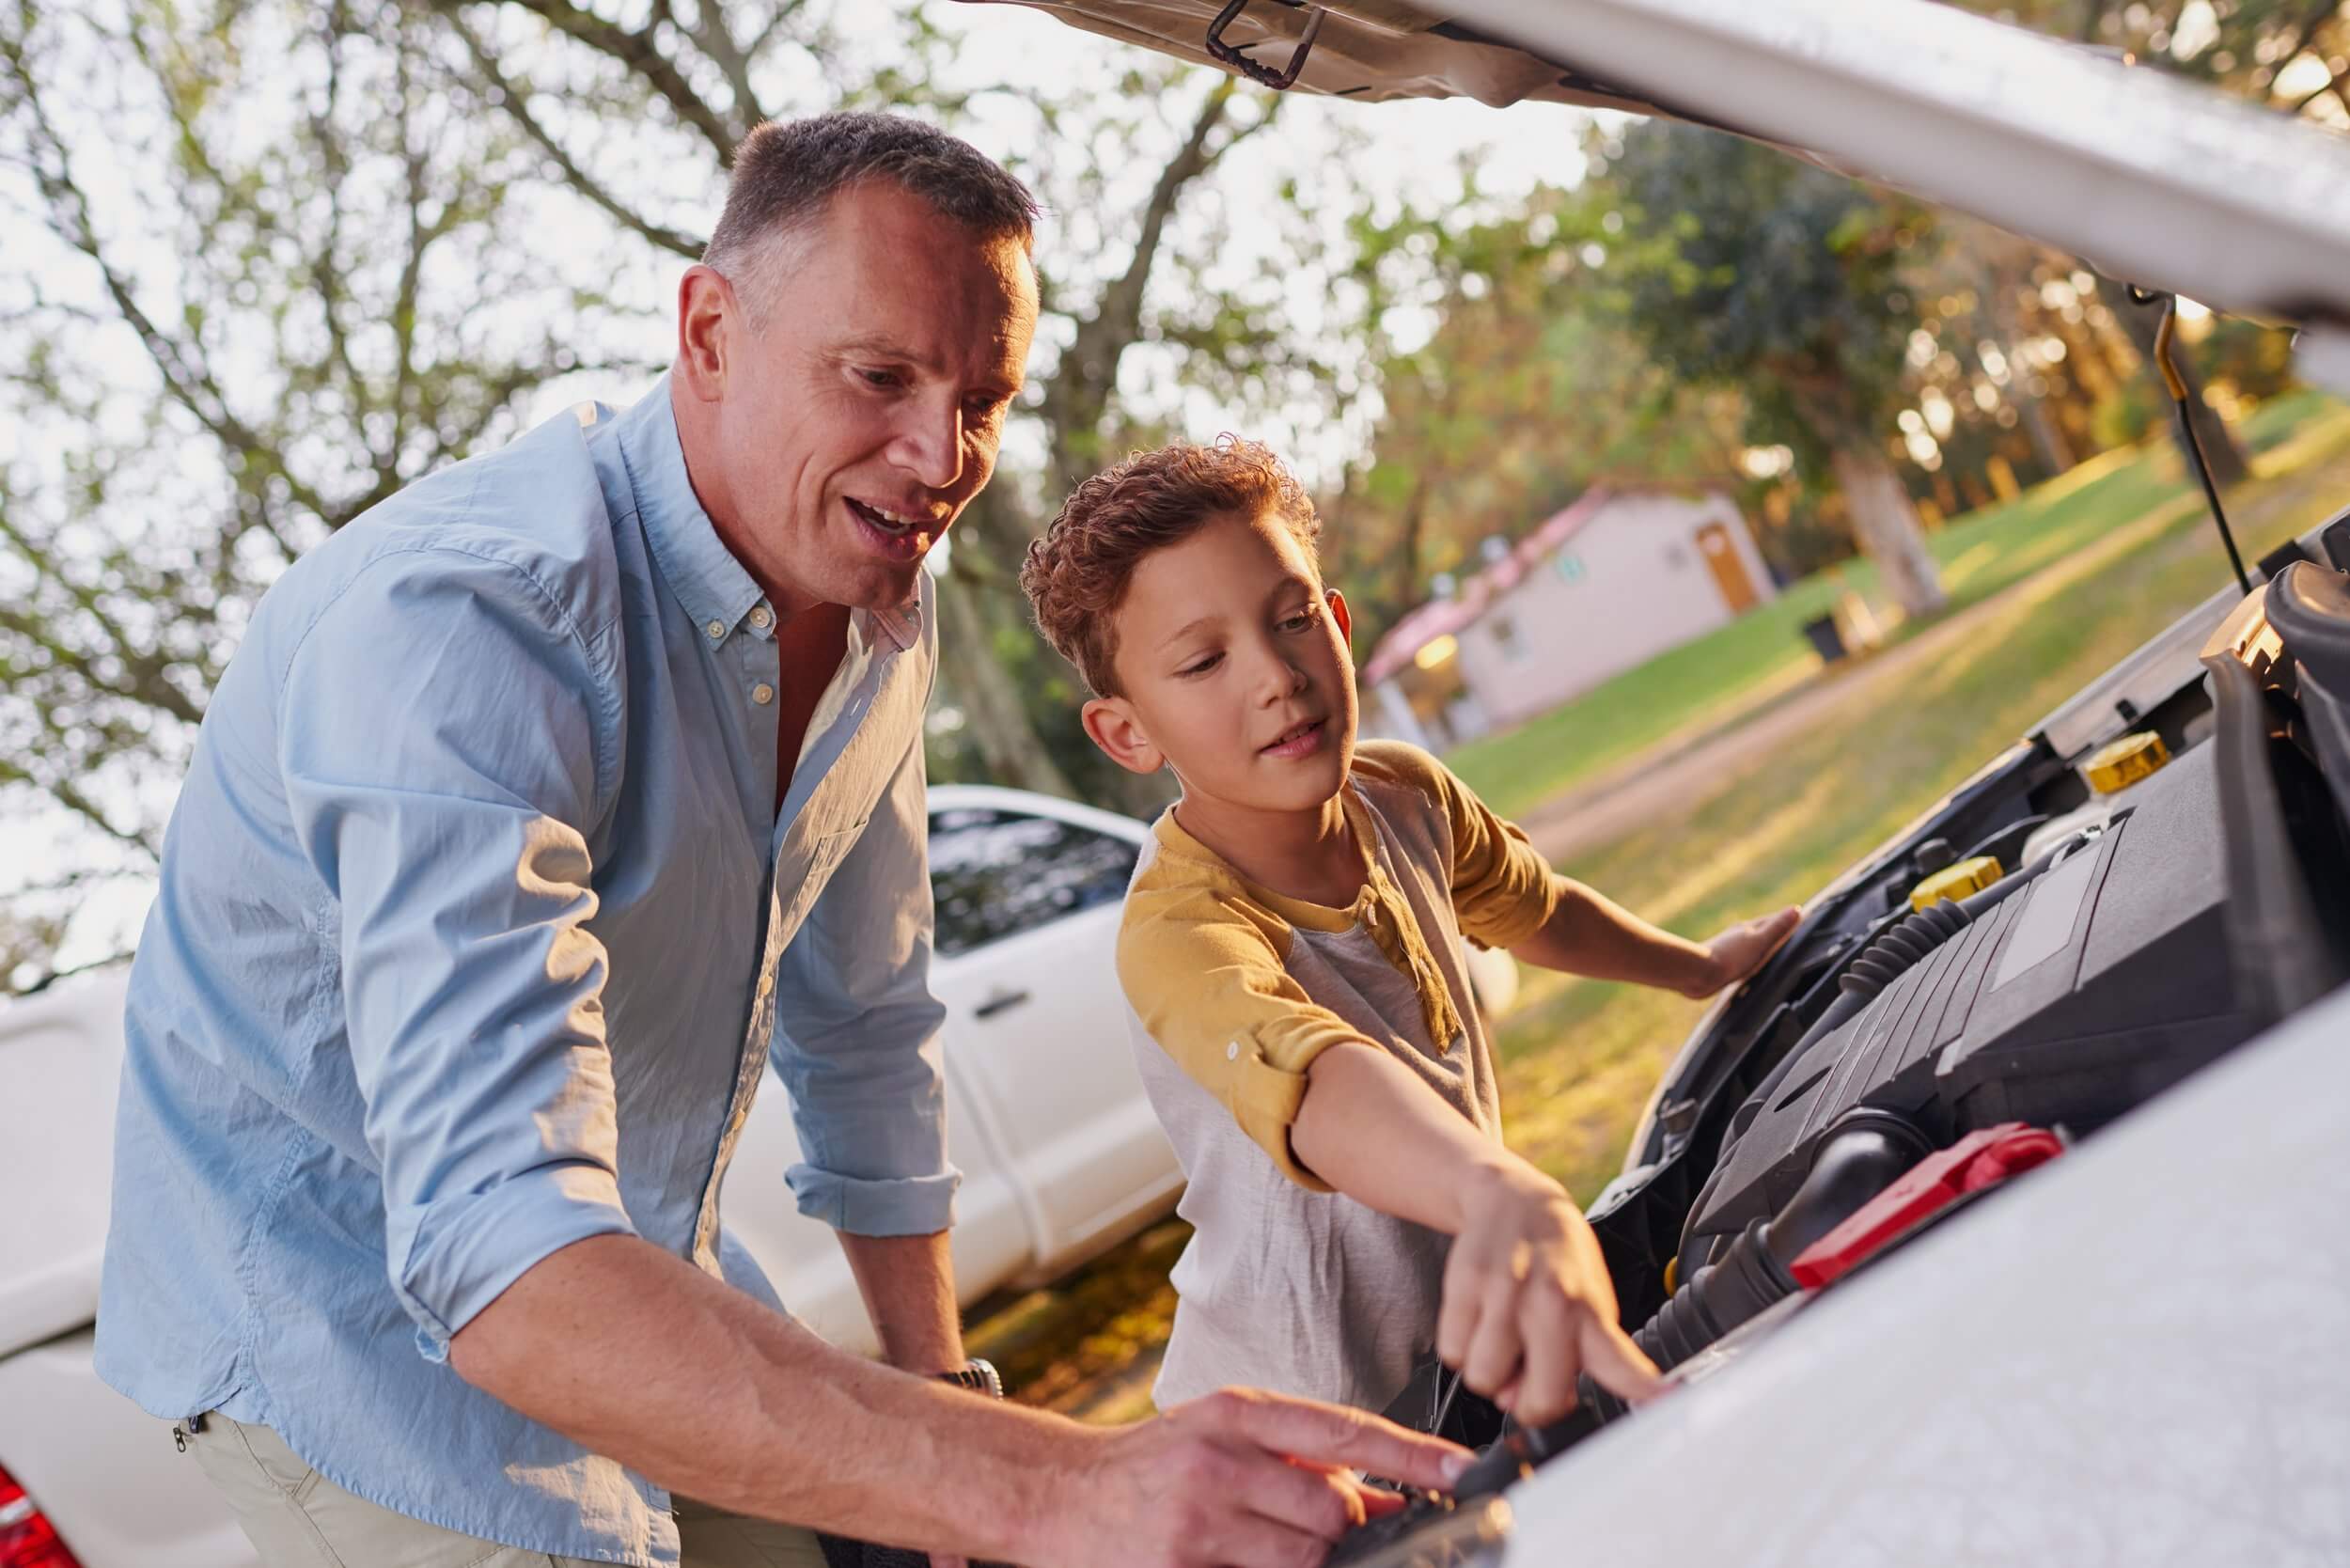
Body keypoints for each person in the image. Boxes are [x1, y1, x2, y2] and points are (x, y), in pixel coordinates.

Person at [95, 114, 1467, 1568]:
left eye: (983, 399)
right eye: (879, 376)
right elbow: (499, 1256)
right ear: (709, 334)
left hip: (627, 1254)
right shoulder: (465, 630)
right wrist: (1049, 1487)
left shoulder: (874, 587)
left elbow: (867, 1027)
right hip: (357, 1332)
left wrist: (939, 1392)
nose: (941, 457)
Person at [1018, 438, 1801, 1432]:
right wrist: (1493, 1191)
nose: (1275, 677)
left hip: (1458, 1355)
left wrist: (1695, 968)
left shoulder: (1404, 796)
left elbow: (1536, 908)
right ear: (1128, 733)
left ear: (1337, 623)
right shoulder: (1179, 928)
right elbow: (1315, 1079)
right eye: (1205, 660)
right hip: (1302, 1419)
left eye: (1293, 621)